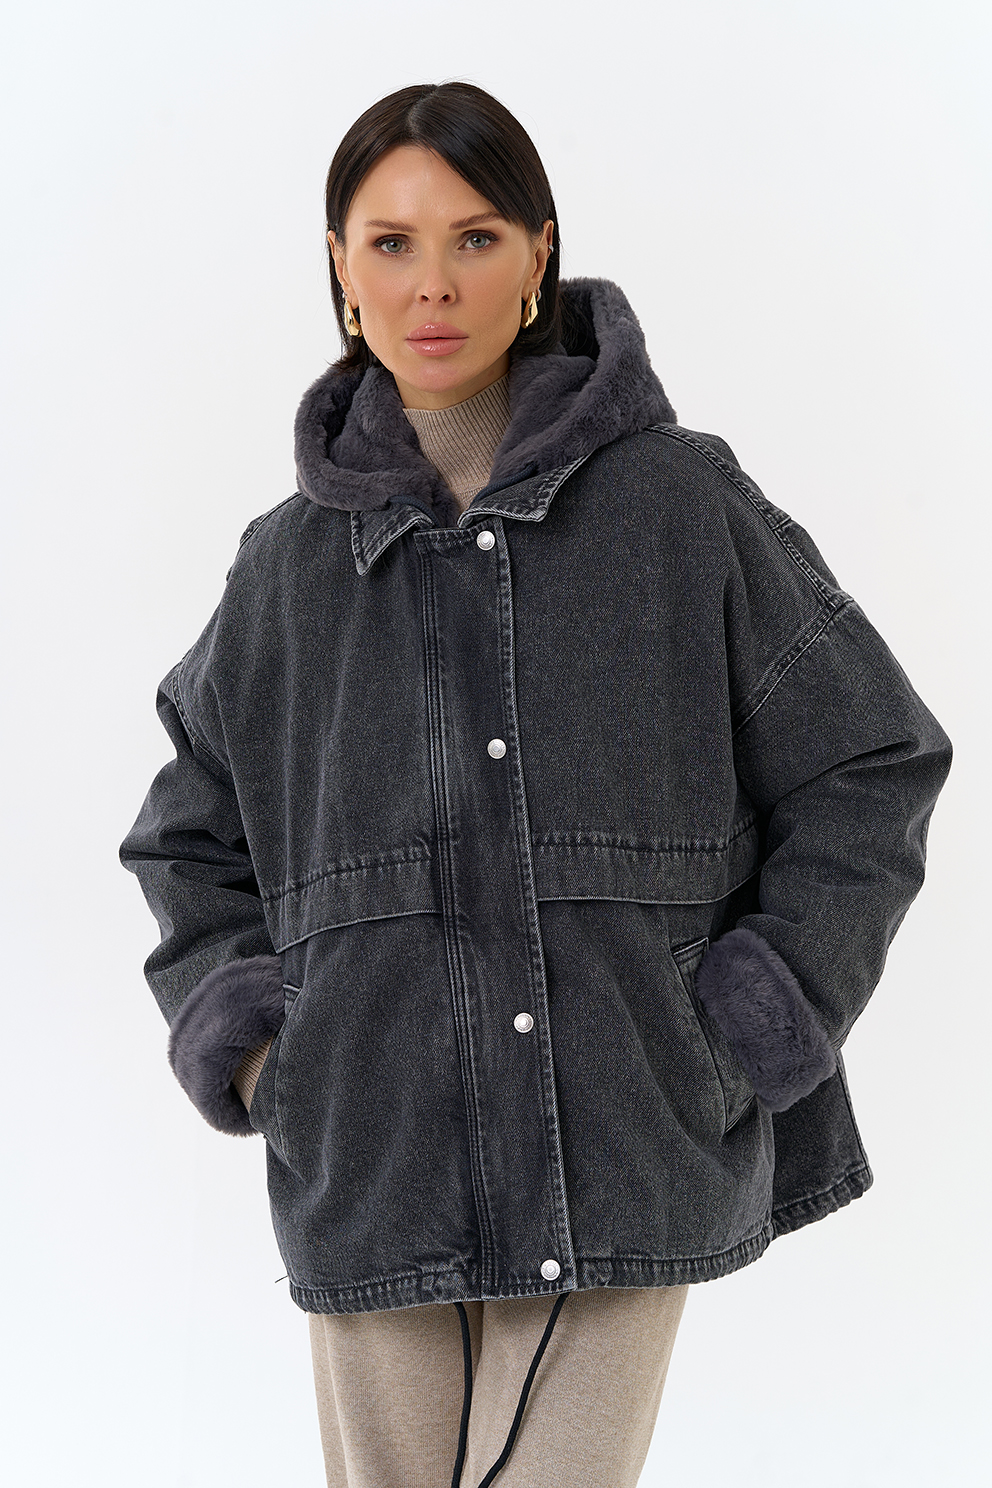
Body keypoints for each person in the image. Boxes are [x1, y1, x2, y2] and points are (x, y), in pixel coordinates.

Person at [119, 81, 953, 1488]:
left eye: (476, 237)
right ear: (341, 270)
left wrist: (763, 1004)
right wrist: (267, 1053)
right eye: (390, 243)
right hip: (372, 1158)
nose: (432, 284)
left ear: (539, 256)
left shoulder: (678, 506)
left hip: (626, 1133)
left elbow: (871, 757)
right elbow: (185, 842)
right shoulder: (287, 569)